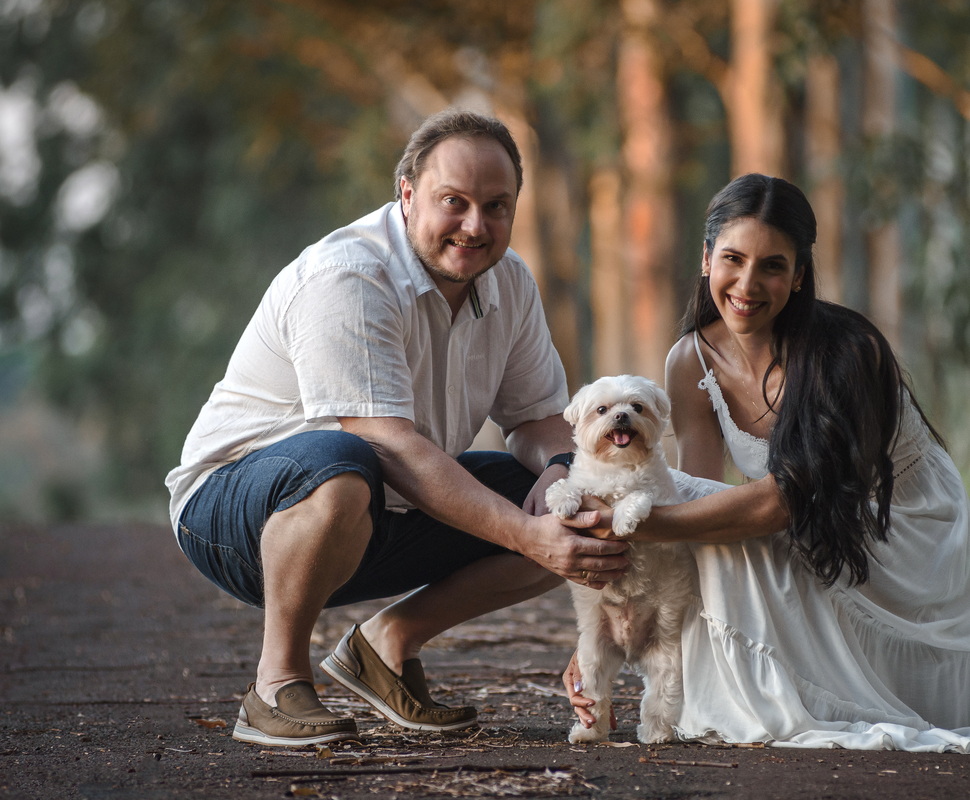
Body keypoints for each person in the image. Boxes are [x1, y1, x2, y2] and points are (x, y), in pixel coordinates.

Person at [564, 173, 970, 755]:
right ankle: (721, 688)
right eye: (733, 259)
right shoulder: (690, 361)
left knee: (726, 532)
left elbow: (780, 503)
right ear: (705, 259)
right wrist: (606, 632)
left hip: (902, 532)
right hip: (810, 525)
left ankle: (795, 693)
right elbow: (694, 502)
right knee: (710, 538)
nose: (747, 283)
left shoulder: (844, 354)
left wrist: (642, 522)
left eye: (773, 265)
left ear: (800, 276)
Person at [166, 109, 629, 747]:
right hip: (236, 514)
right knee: (341, 460)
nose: (475, 225)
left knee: (586, 500)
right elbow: (388, 445)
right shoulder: (348, 277)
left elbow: (538, 419)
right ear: (407, 196)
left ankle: (388, 645)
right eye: (453, 202)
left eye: (496, 206)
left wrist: (557, 478)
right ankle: (275, 683)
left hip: (379, 507)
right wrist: (526, 534)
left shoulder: (510, 282)